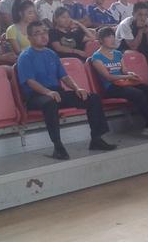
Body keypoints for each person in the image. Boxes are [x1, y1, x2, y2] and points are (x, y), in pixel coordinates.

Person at [17, 21, 115, 160]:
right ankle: (58, 147)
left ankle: (96, 139)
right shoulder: (25, 56)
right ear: (29, 38)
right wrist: (47, 92)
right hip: (36, 96)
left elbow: (64, 76)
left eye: (45, 32)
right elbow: (30, 81)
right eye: (37, 33)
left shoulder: (51, 54)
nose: (43, 36)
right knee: (50, 103)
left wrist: (77, 88)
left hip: (56, 92)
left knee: (92, 98)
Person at [91, 27, 148, 138]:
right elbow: (108, 77)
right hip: (111, 87)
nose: (112, 39)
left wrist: (131, 74)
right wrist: (127, 76)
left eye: (113, 36)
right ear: (101, 40)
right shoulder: (96, 57)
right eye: (108, 37)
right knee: (138, 94)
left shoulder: (117, 54)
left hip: (124, 82)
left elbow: (124, 70)